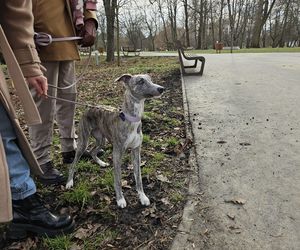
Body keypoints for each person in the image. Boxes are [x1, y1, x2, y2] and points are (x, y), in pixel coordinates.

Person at [0, 0, 74, 239]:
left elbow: (15, 6)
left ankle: (22, 195)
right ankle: (38, 166)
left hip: (61, 39)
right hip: (42, 38)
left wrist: (29, 63)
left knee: (4, 128)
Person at [30, 0, 98, 185]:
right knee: (43, 102)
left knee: (69, 98)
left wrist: (90, 21)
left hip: (67, 36)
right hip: (39, 37)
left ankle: (69, 148)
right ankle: (41, 159)